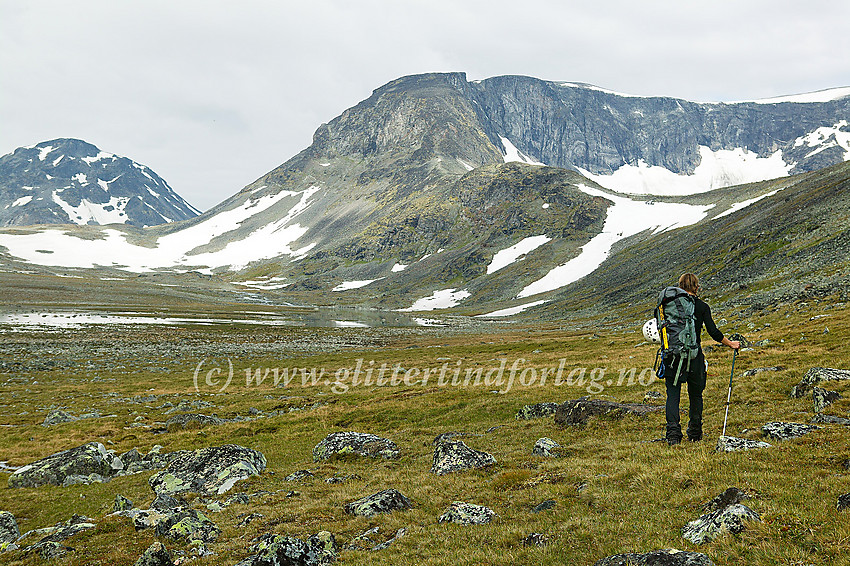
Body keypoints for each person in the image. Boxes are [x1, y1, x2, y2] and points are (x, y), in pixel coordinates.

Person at [664, 273, 740, 445]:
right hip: (694, 356)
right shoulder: (701, 306)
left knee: (673, 395)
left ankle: (673, 435)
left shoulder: (669, 304)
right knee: (696, 394)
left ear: (679, 286)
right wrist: (730, 344)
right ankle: (695, 433)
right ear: (697, 287)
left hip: (673, 356)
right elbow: (713, 332)